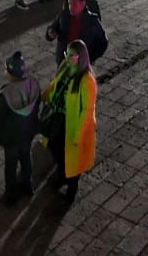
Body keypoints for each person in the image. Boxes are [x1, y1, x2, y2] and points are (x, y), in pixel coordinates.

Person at [0, 51, 42, 205]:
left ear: (10, 72)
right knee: (26, 158)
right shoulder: (33, 85)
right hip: (27, 133)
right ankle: (27, 185)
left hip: (12, 138)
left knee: (11, 166)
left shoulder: (5, 96)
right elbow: (37, 106)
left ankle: (11, 194)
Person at [42, 39, 98, 205]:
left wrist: (78, 137)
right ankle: (62, 175)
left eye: (72, 56)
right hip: (58, 117)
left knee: (73, 162)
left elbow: (88, 113)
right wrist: (45, 94)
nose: (68, 59)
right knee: (54, 147)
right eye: (67, 54)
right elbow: (55, 83)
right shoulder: (66, 68)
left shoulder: (87, 81)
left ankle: (70, 191)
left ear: (81, 58)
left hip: (73, 125)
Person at [45, 0, 108, 66]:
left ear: (83, 4)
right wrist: (51, 32)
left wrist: (89, 57)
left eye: (74, 4)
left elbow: (103, 43)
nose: (71, 7)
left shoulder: (92, 21)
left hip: (81, 64)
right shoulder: (64, 15)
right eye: (69, 3)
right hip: (63, 61)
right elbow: (53, 28)